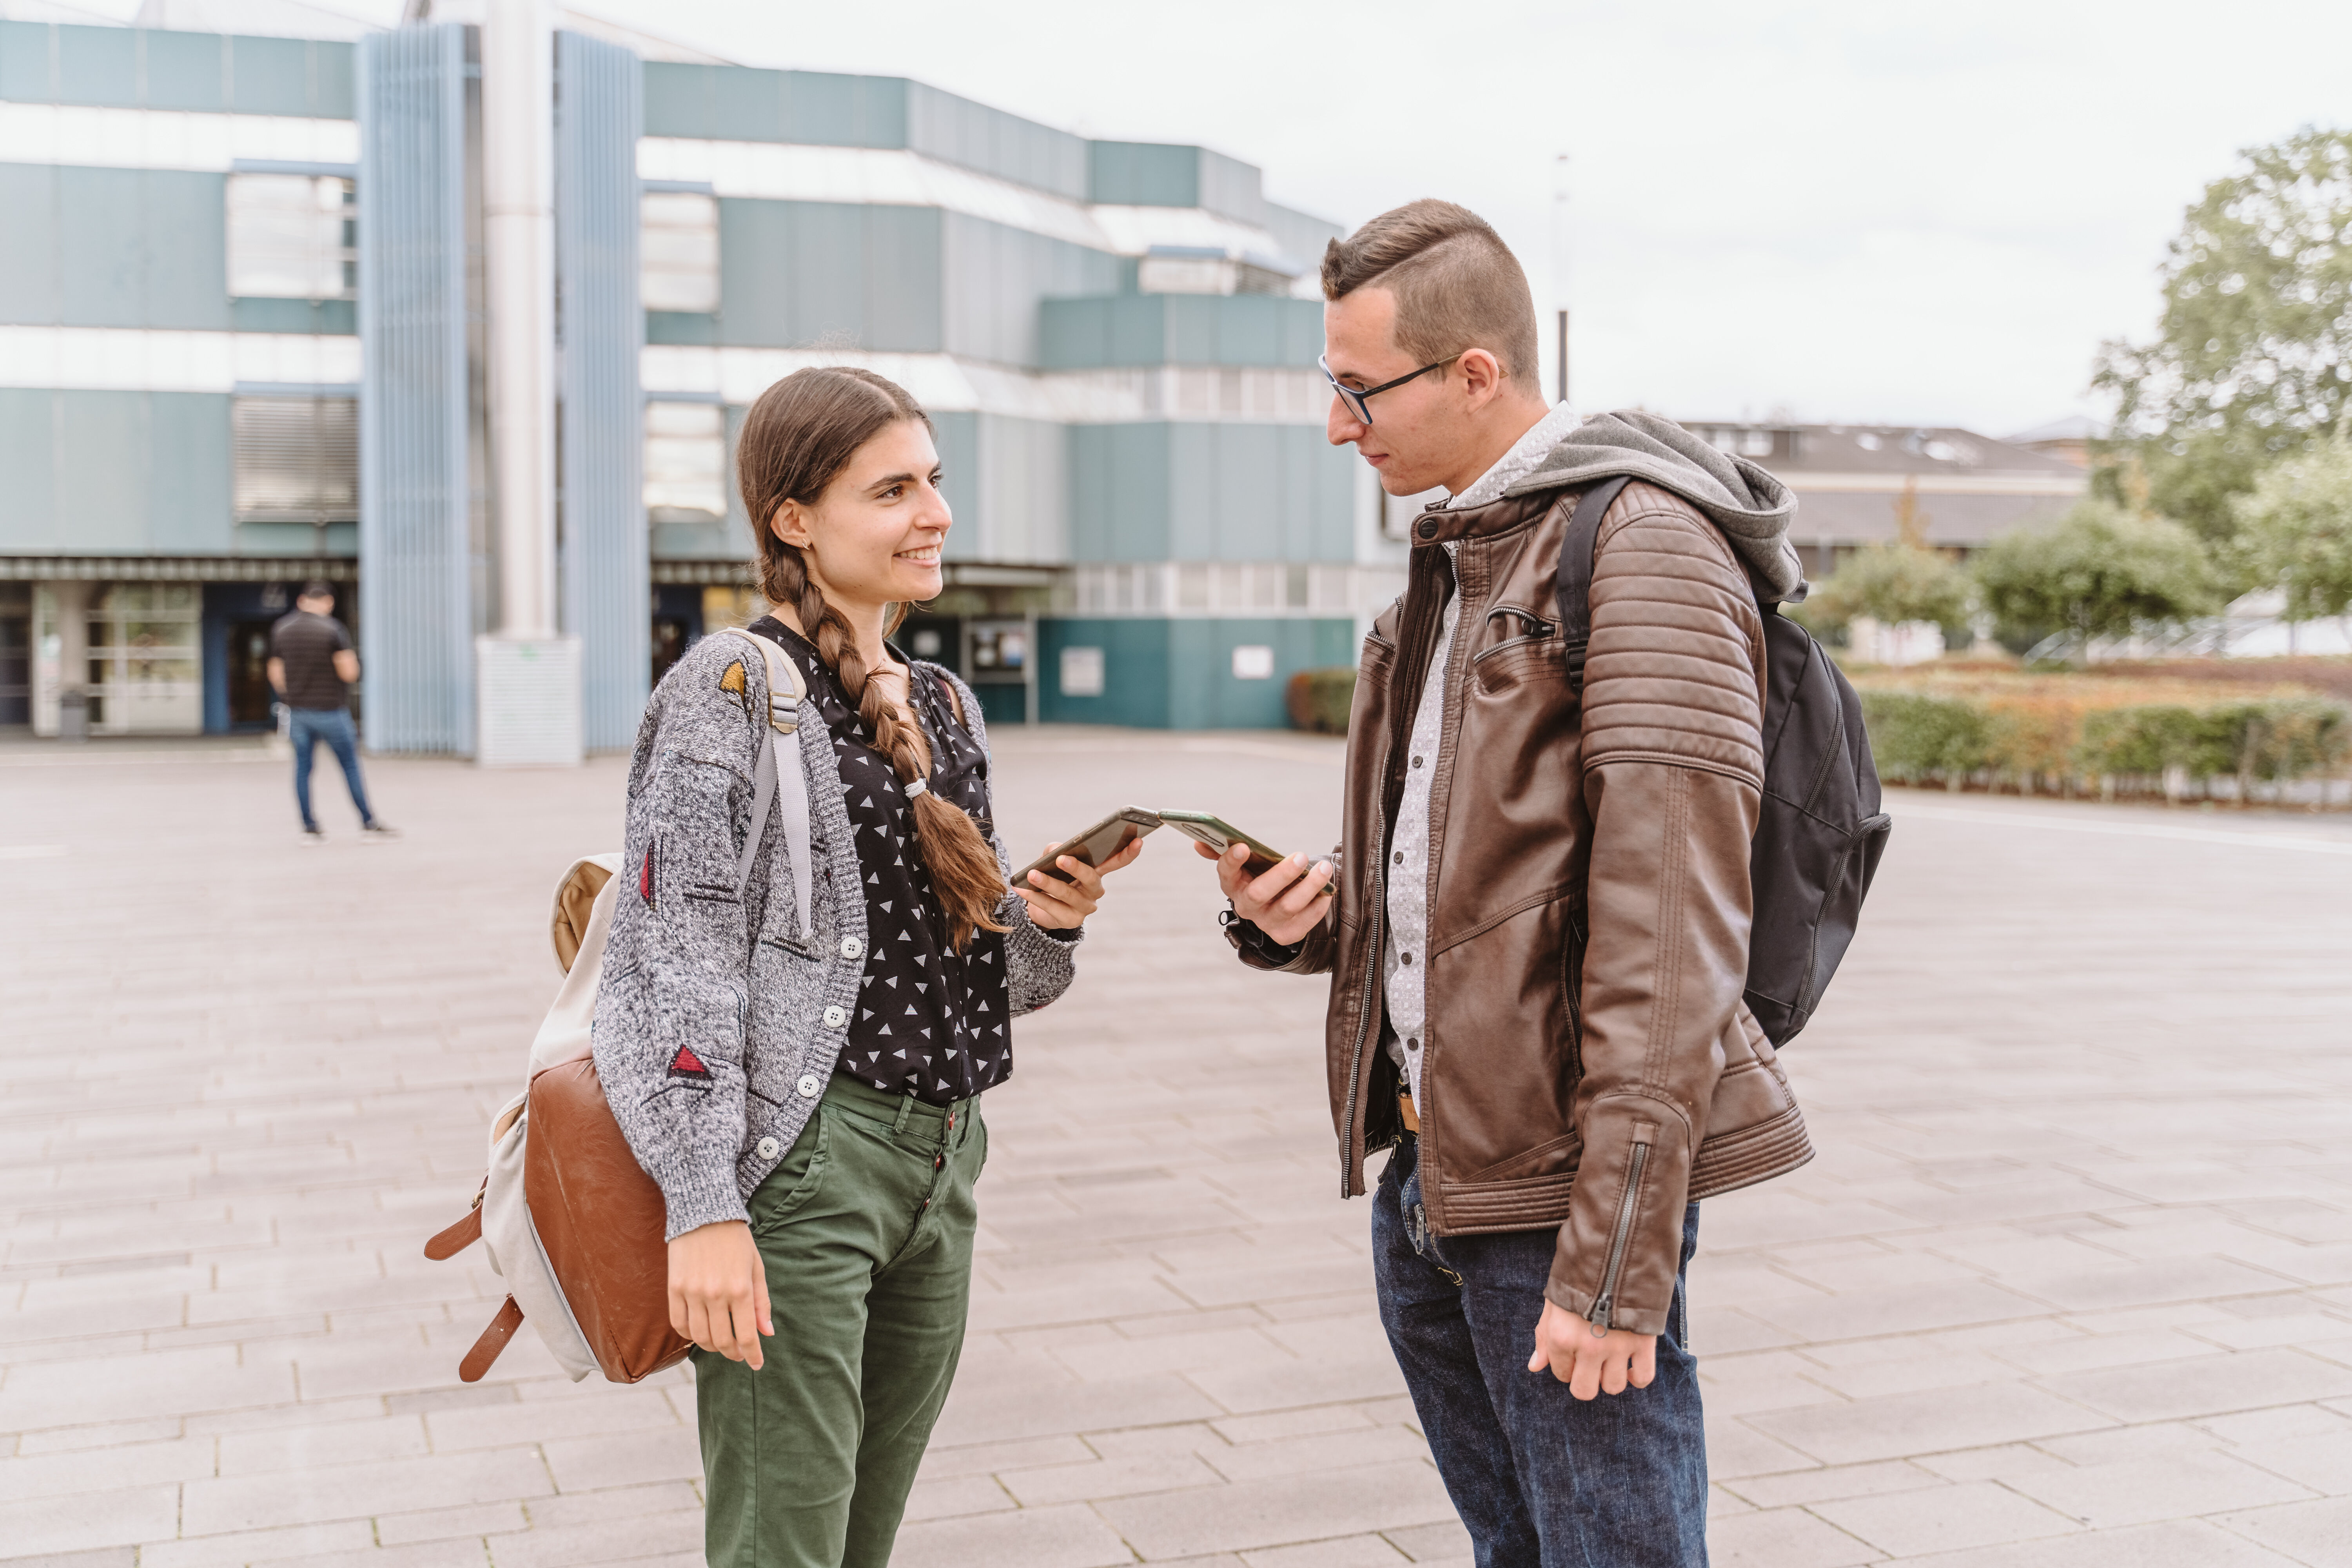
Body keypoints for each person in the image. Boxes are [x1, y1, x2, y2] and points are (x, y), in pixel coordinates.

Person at [1201, 200, 1816, 1568]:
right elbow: (1473, 869)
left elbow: (1673, 941)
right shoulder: (1459, 557)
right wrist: (1320, 913)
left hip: (1558, 1198)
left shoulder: (1641, 546)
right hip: (1438, 1174)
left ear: (1475, 372)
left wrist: (1614, 1266)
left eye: (1359, 391)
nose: (1337, 426)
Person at [591, 367, 1140, 1568]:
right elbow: (668, 966)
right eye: (891, 488)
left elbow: (996, 985)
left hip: (942, 1164)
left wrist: (1050, 920)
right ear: (794, 518)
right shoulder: (728, 688)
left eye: (933, 480)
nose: (932, 511)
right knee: (782, 1542)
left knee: (860, 1541)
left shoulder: (944, 703)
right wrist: (704, 1204)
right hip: (802, 1169)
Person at [268, 581, 393, 842]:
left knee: (303, 768)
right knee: (349, 766)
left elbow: (275, 672)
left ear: (302, 600)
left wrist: (290, 696)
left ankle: (310, 828)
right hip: (331, 712)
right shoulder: (333, 630)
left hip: (298, 713)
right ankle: (368, 823)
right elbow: (349, 673)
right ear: (328, 603)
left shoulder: (282, 629)